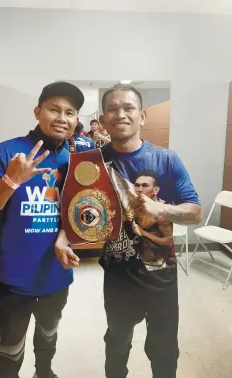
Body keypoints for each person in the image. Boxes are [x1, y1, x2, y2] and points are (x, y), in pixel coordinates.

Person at [55, 83, 201, 378]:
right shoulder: (91, 164)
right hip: (118, 275)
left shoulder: (167, 160)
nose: (120, 114)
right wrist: (63, 238)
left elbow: (195, 212)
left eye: (128, 108)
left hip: (161, 276)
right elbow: (75, 211)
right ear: (105, 119)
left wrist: (164, 210)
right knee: (117, 344)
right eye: (112, 109)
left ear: (141, 116)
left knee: (163, 350)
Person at [0, 81, 83, 378]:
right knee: (10, 346)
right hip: (14, 278)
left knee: (48, 334)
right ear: (37, 111)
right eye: (54, 109)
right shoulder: (7, 153)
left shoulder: (78, 161)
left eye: (70, 112)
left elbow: (81, 212)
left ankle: (44, 372)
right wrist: (11, 181)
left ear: (76, 120)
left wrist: (64, 238)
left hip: (57, 273)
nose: (62, 117)